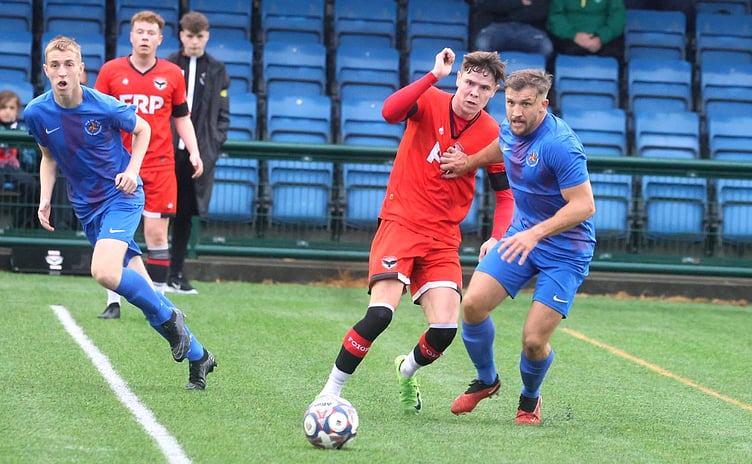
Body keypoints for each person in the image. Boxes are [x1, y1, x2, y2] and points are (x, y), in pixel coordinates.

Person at [316, 48, 511, 414]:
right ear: (458, 79)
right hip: (401, 222)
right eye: (469, 82)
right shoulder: (430, 99)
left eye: (484, 88)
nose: (473, 92)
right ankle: (330, 392)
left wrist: (497, 236)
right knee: (380, 315)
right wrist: (432, 74)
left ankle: (406, 371)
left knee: (444, 331)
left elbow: (506, 195)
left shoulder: (492, 135)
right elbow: (390, 112)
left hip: (443, 237)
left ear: (494, 92)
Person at [24, 35, 216, 389]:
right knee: (144, 295)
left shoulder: (103, 105)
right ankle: (199, 356)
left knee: (104, 272)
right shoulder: (36, 112)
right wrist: (45, 197)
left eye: (70, 65)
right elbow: (48, 157)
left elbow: (142, 129)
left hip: (121, 198)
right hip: (87, 207)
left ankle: (171, 315)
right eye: (56, 66)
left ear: (81, 69)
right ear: (46, 70)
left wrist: (132, 170)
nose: (63, 72)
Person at [439, 68, 595, 425]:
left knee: (533, 341)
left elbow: (585, 206)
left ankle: (529, 399)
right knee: (474, 305)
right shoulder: (510, 126)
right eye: (510, 102)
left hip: (565, 250)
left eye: (526, 104)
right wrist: (469, 162)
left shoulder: (560, 145)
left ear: (544, 104)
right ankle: (487, 380)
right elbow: (503, 145)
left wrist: (534, 234)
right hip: (523, 235)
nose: (516, 112)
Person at [95, 10, 204, 319]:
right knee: (115, 233)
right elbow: (98, 117)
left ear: (160, 39)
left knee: (156, 235)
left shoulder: (172, 74)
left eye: (150, 33)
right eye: (139, 32)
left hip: (159, 164)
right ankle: (113, 300)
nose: (144, 37)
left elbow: (182, 117)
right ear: (131, 36)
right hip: (118, 165)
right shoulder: (110, 71)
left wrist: (194, 151)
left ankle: (158, 305)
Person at [165, 11, 230, 294]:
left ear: (207, 36)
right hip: (165, 150)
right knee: (157, 212)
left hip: (198, 155)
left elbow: (223, 115)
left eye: (199, 36)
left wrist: (212, 145)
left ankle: (176, 272)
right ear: (181, 35)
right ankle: (156, 272)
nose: (194, 41)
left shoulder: (217, 70)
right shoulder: (167, 64)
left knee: (185, 214)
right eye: (190, 35)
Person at [0, 89, 39, 229]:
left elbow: (30, 160)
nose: (7, 111)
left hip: (15, 169)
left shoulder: (23, 130)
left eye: (11, 108)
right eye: (3, 107)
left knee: (31, 184)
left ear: (17, 111)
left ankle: (19, 225)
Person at [471, 0, 554, 62]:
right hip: (498, 27)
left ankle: (530, 79)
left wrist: (507, 11)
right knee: (482, 44)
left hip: (529, 29)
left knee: (546, 47)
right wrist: (520, 2)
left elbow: (540, 12)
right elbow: (491, 5)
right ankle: (486, 79)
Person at [546, 0, 626, 62]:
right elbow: (555, 16)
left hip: (603, 38)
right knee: (567, 51)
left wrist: (601, 37)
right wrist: (573, 35)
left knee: (612, 52)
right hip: (570, 38)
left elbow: (618, 17)